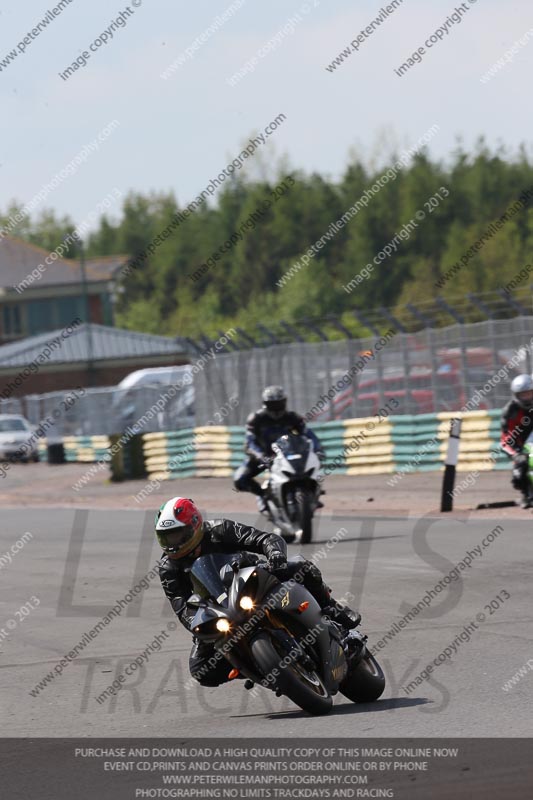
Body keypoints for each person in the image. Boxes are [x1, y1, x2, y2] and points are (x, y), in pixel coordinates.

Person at [157, 496, 360, 687]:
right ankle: (256, 666)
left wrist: (275, 554)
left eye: (176, 535)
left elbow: (263, 539)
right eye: (165, 538)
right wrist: (198, 627)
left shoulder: (220, 529)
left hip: (251, 579)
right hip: (217, 608)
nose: (172, 544)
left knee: (300, 566)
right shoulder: (168, 568)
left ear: (194, 525)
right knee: (201, 670)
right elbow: (182, 606)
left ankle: (331, 607)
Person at [233, 385, 324, 513]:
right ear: (265, 404)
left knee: (311, 467)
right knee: (240, 479)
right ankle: (263, 495)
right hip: (262, 456)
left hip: (288, 454)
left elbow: (309, 435)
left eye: (278, 403)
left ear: (284, 402)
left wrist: (317, 449)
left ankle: (312, 495)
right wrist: (260, 455)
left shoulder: (293, 417)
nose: (276, 408)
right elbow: (249, 443)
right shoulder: (256, 419)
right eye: (272, 404)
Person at [500, 374, 533, 507]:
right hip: (521, 444)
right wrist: (516, 454)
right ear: (516, 395)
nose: (526, 398)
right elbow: (506, 438)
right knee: (518, 474)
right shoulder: (510, 411)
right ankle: (527, 495)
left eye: (529, 394)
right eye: (523, 395)